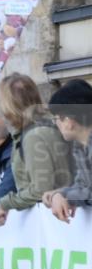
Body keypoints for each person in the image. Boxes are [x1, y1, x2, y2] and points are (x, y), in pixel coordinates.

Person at [0, 74, 72, 226]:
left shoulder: (34, 135)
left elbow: (40, 190)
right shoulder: (45, 126)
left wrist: (5, 203)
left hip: (55, 223)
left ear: (7, 105)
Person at [44, 79, 92, 221]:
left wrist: (63, 196)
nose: (55, 123)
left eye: (57, 118)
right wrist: (59, 193)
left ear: (69, 121)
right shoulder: (79, 146)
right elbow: (83, 185)